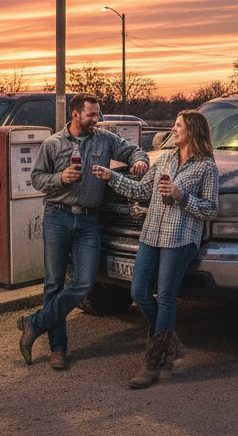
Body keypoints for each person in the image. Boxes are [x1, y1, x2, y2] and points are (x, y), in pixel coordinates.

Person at [18, 94, 149, 370]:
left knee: (84, 283)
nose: (96, 120)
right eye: (91, 115)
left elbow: (133, 150)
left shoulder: (104, 139)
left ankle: (34, 324)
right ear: (75, 114)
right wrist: (60, 178)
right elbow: (36, 178)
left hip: (89, 221)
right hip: (57, 216)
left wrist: (140, 161)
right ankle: (58, 348)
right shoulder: (53, 144)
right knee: (53, 283)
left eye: (97, 114)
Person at [92, 110, 218, 389]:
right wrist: (110, 175)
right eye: (174, 124)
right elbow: (140, 191)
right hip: (151, 235)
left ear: (193, 131)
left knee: (166, 297)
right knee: (138, 292)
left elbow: (211, 209)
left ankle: (152, 362)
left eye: (178, 125)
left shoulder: (206, 167)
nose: (173, 129)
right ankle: (169, 342)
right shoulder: (165, 159)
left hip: (181, 238)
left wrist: (181, 196)